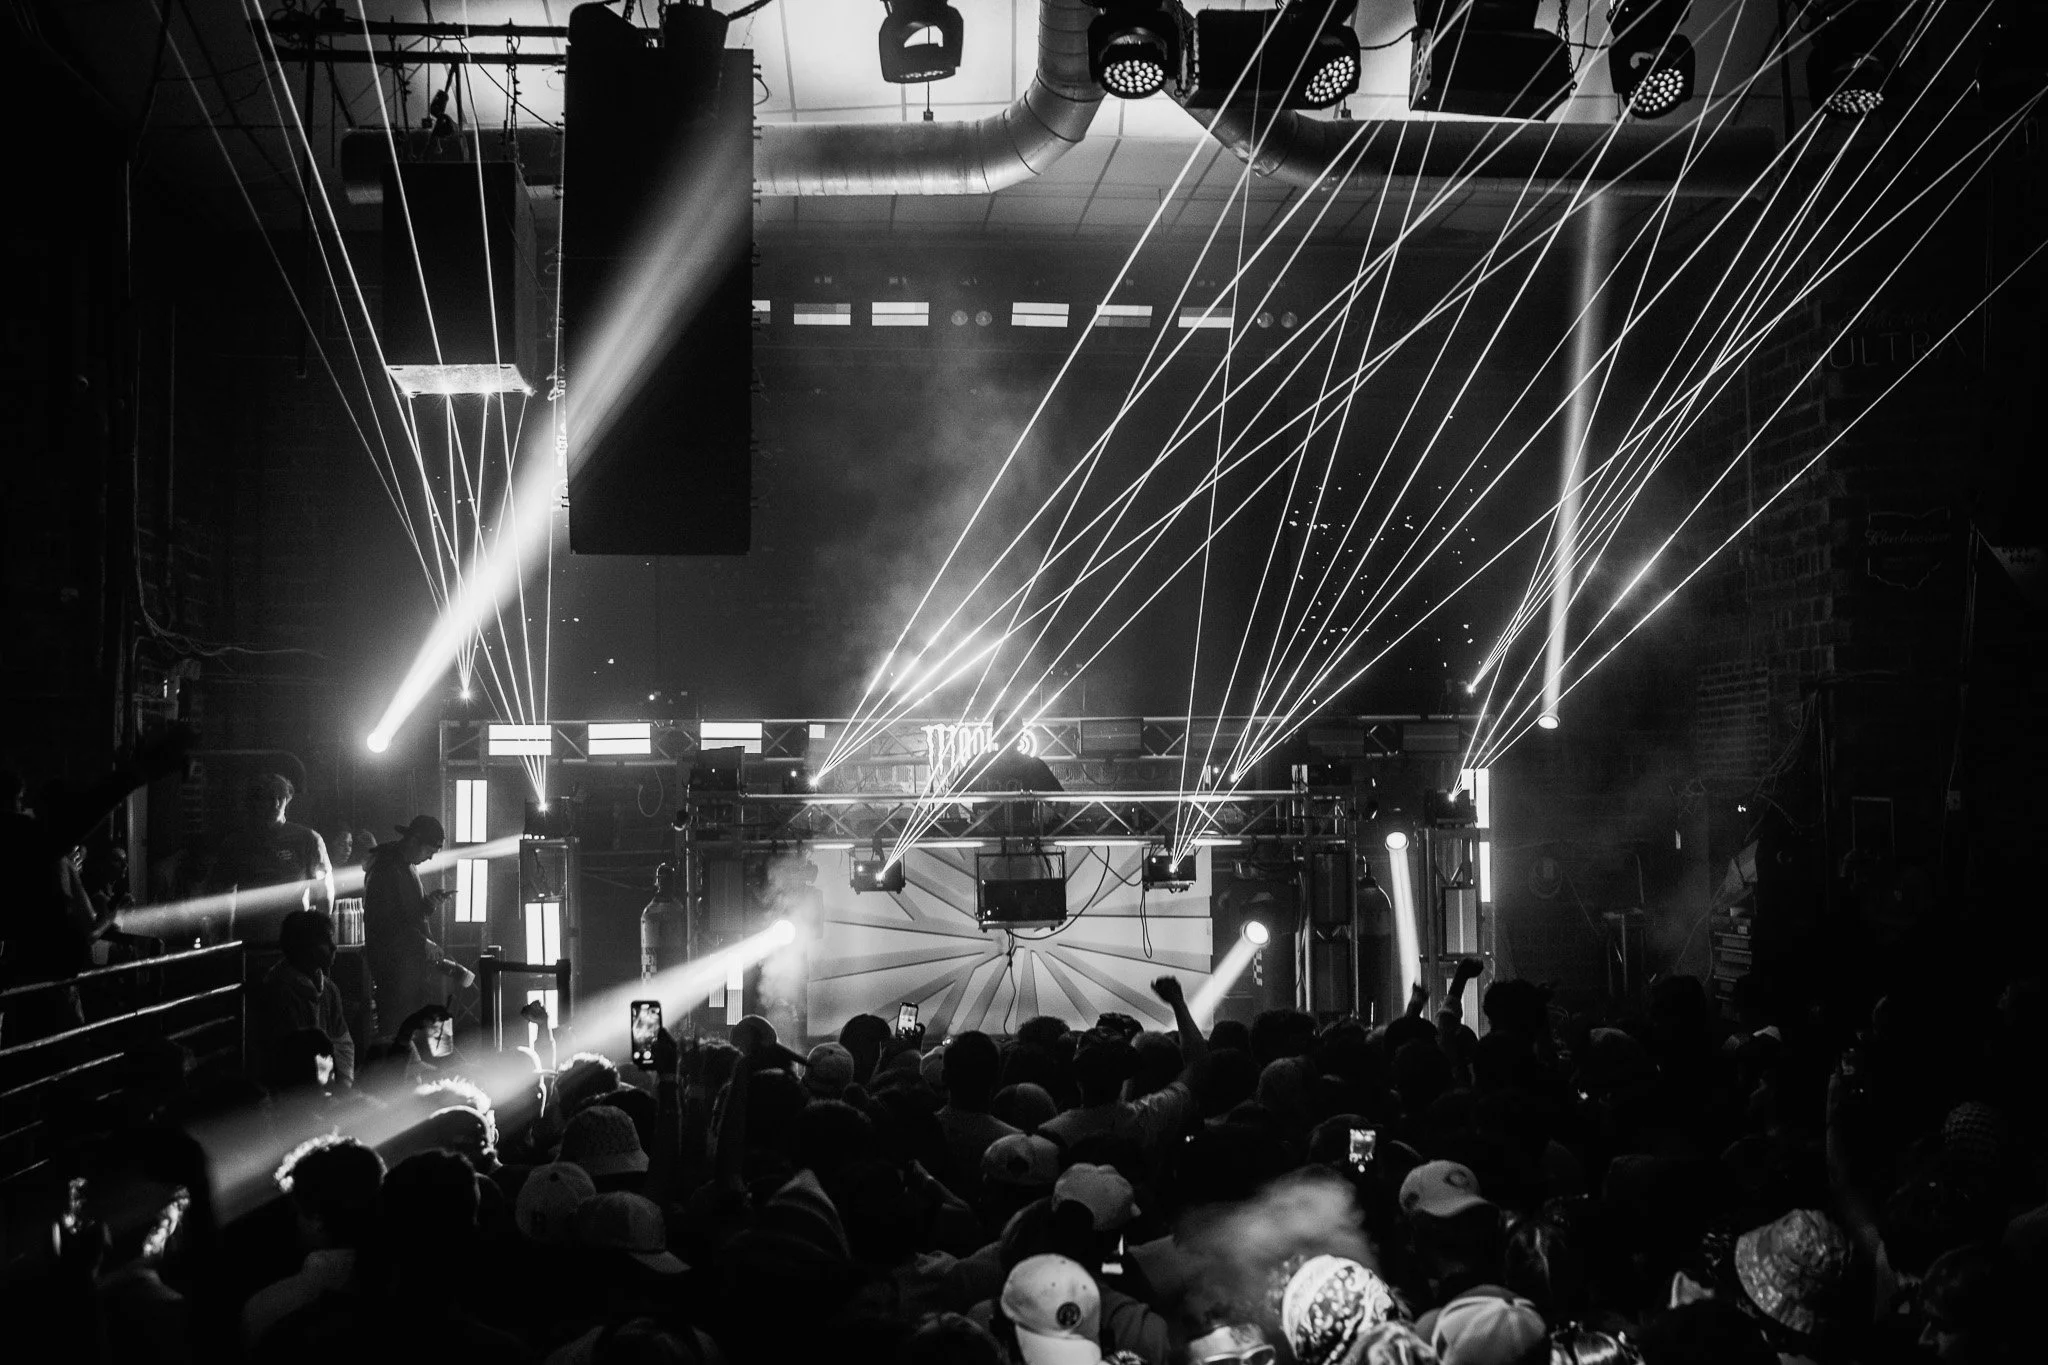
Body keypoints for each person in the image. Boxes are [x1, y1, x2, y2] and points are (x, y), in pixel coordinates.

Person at [361, 814, 460, 1037]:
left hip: (410, 968)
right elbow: (384, 923)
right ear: (414, 841)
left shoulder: (408, 866)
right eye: (429, 851)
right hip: (394, 969)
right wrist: (423, 942)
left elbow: (406, 913)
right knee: (398, 1032)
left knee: (412, 1030)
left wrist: (428, 904)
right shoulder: (385, 869)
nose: (430, 858)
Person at [211, 774, 331, 933]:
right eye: (268, 798)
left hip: (294, 938)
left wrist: (321, 934)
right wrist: (226, 936)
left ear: (287, 800)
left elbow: (323, 890)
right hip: (250, 938)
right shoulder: (236, 844)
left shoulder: (308, 839)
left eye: (280, 797)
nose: (275, 804)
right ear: (255, 802)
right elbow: (225, 894)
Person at [255, 910, 356, 1087]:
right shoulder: (279, 991)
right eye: (326, 941)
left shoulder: (329, 990)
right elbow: (287, 1058)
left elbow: (342, 1043)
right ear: (306, 947)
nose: (334, 947)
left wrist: (343, 1084)